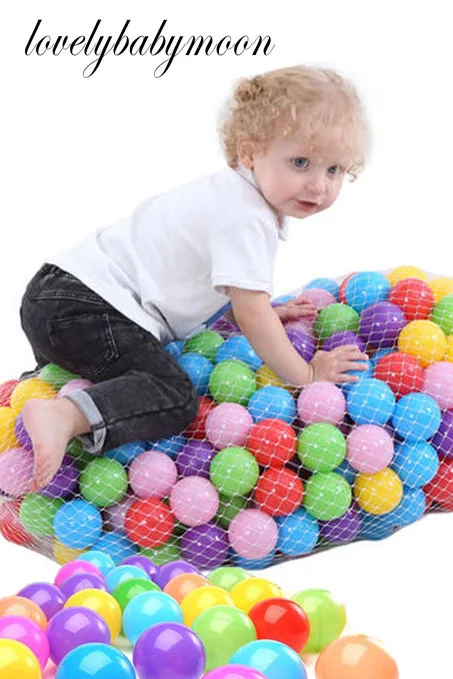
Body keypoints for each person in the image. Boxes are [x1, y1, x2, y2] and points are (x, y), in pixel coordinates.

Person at [18, 65, 369, 492]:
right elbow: (251, 313)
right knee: (173, 394)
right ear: (249, 152)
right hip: (92, 309)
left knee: (97, 371)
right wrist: (306, 375)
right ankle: (65, 416)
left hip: (55, 296)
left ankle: (39, 401)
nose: (318, 185)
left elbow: (219, 293)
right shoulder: (247, 217)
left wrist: (264, 311)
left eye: (334, 170)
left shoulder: (228, 193)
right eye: (300, 163)